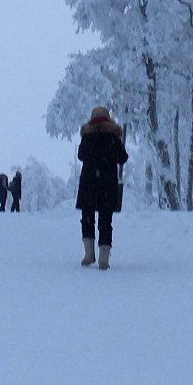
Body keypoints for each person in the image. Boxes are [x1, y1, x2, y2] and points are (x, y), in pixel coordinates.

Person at [76, 106, 127, 269]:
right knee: (106, 220)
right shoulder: (113, 137)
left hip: (89, 183)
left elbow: (81, 155)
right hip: (107, 183)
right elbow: (122, 158)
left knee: (87, 218)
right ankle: (104, 258)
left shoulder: (87, 136)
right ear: (108, 119)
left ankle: (89, 254)